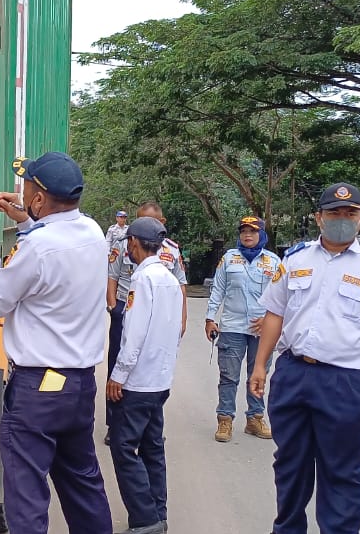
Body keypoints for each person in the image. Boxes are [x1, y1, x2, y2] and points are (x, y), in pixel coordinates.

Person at [249, 182, 360, 534]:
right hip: (293, 374)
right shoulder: (295, 259)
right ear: (318, 218)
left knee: (341, 471)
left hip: (346, 382)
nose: (343, 219)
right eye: (335, 213)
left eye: (350, 214)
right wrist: (261, 364)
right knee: (289, 464)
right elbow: (275, 314)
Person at [0, 152, 113, 534]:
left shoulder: (38, 247)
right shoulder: (94, 232)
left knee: (27, 495)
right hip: (79, 384)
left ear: (38, 198)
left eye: (27, 187)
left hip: (38, 390)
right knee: (83, 484)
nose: (22, 191)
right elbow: (53, 245)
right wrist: (27, 219)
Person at [106, 217, 184, 534]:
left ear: (134, 243)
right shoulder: (168, 278)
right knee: (152, 447)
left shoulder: (141, 280)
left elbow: (133, 334)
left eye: (128, 243)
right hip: (160, 381)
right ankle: (158, 513)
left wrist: (118, 375)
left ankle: (145, 519)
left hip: (138, 383)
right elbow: (173, 332)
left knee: (123, 448)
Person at [106, 203, 187, 443]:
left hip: (157, 311)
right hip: (125, 306)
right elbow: (111, 276)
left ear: (162, 223)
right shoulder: (123, 245)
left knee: (148, 364)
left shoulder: (170, 250)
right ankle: (116, 422)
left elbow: (180, 284)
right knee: (117, 366)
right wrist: (113, 307)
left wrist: (181, 319)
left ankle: (146, 422)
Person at [204, 216, 281, 442]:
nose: (247, 235)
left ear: (262, 235)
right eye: (243, 231)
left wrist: (270, 319)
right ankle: (225, 420)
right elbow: (218, 288)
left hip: (262, 330)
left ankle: (255, 418)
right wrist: (210, 318)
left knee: (258, 376)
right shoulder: (229, 259)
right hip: (232, 326)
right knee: (228, 376)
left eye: (253, 231)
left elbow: (281, 295)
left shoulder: (274, 262)